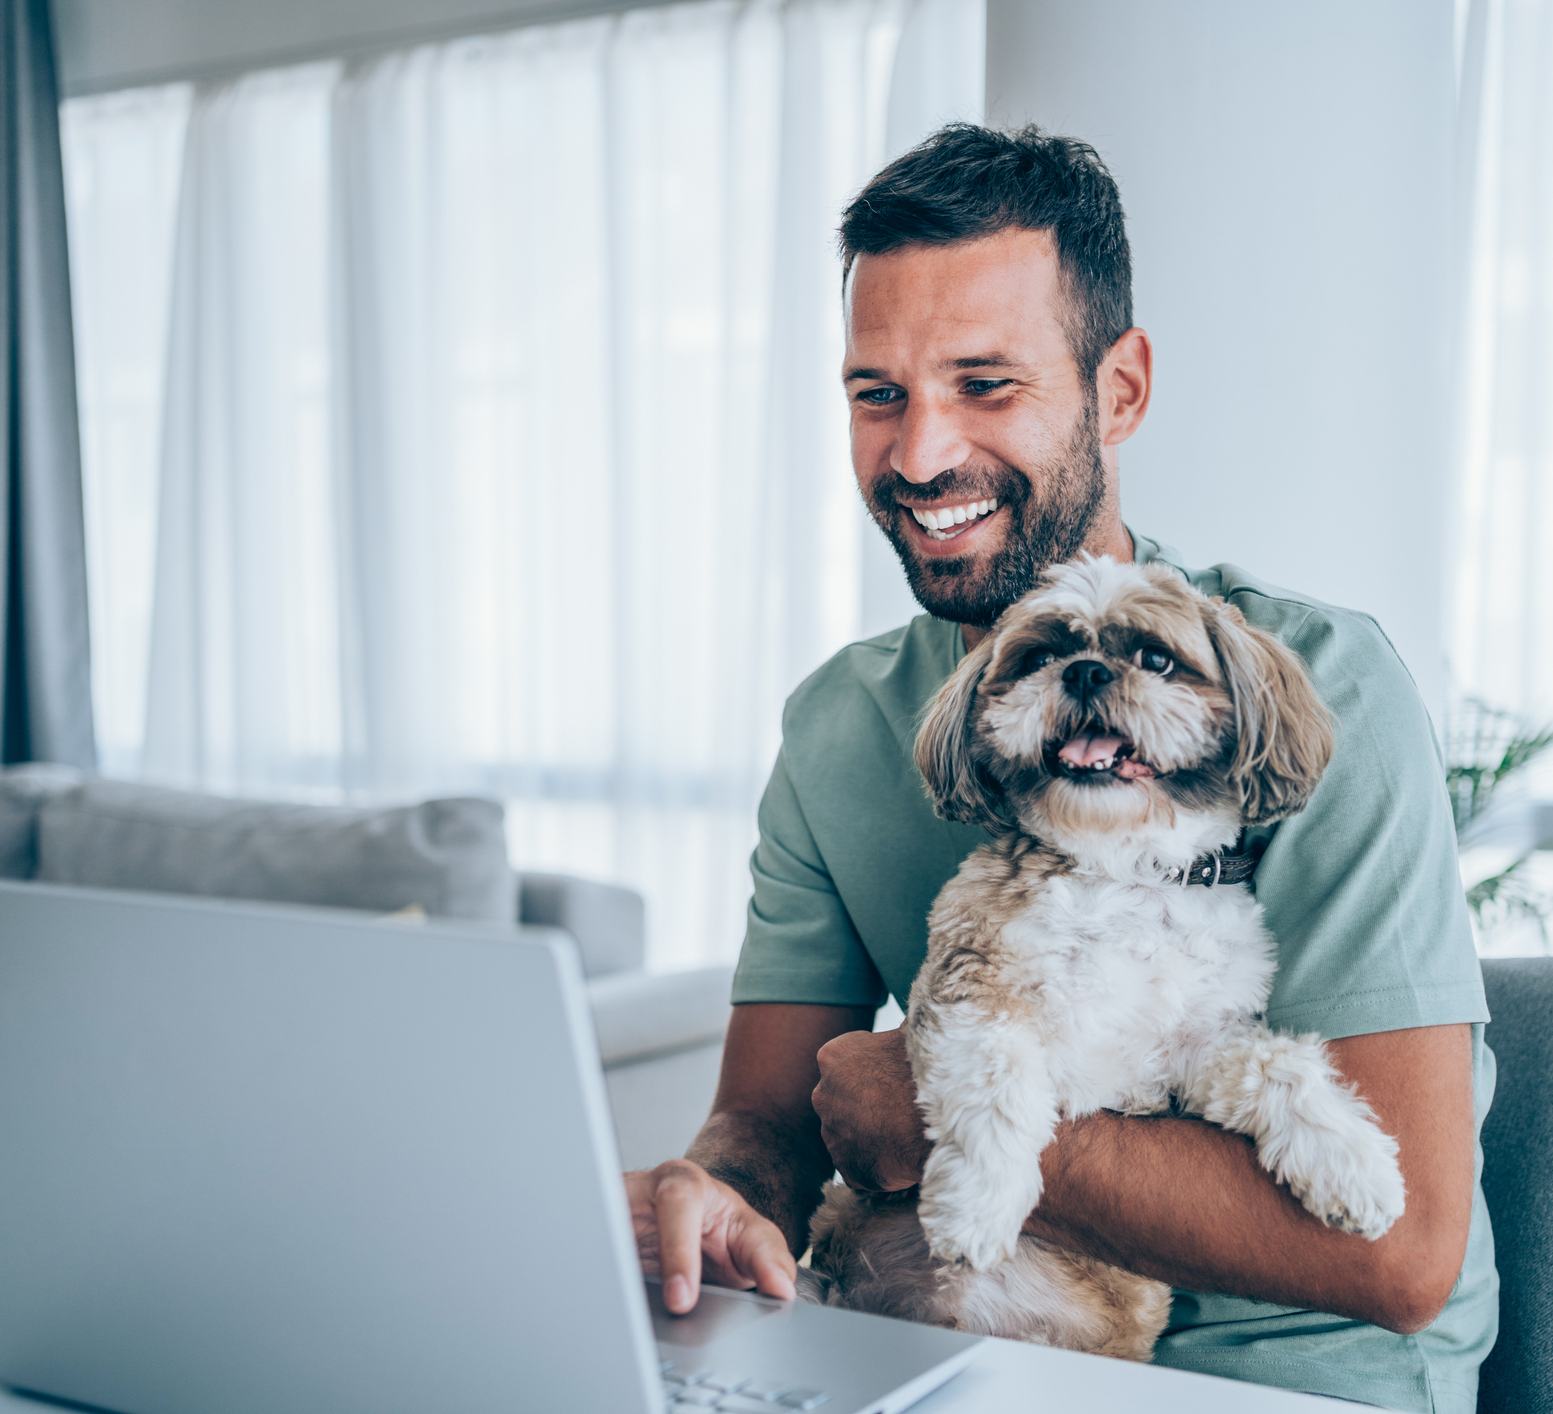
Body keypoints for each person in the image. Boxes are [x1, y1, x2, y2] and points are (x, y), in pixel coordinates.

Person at [624, 124, 1497, 1413]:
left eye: (986, 384)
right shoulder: (839, 724)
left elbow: (1406, 1255)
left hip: (1283, 1384)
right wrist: (711, 1195)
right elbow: (764, 1128)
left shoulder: (1318, 686)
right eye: (879, 395)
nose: (920, 459)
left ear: (1120, 389)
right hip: (930, 1352)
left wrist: (951, 1121)